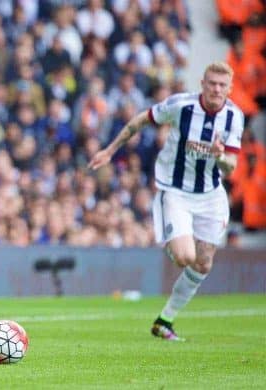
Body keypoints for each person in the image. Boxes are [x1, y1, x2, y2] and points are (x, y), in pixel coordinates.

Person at [88, 62, 244, 341]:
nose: (216, 89)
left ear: (229, 88)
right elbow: (140, 120)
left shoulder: (234, 117)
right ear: (203, 83)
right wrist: (110, 150)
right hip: (176, 189)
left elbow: (230, 165)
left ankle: (165, 321)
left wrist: (219, 155)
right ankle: (173, 240)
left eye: (222, 85)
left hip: (211, 194)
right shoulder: (181, 105)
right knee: (185, 257)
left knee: (204, 263)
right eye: (212, 83)